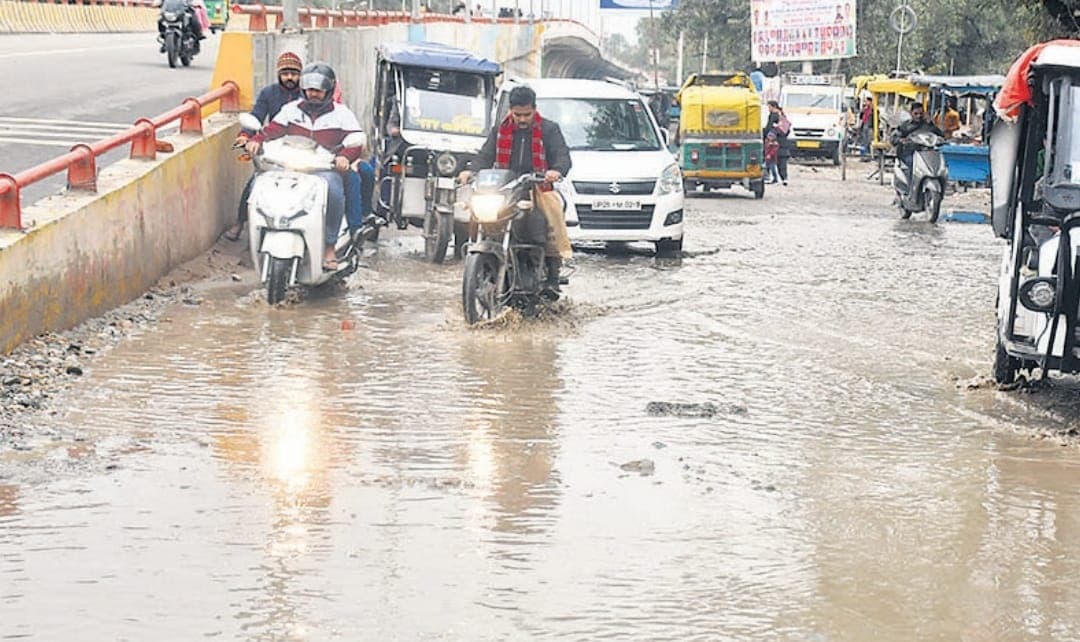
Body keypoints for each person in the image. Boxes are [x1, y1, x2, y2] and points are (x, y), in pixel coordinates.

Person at [246, 63, 365, 272]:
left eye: (318, 90)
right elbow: (272, 130)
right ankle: (259, 235)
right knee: (258, 183)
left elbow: (356, 140)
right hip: (290, 166)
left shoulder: (341, 114)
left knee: (334, 192)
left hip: (323, 169)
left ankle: (329, 245)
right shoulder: (290, 110)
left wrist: (345, 157)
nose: (314, 94)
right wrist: (256, 140)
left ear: (328, 90)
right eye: (310, 90)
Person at [459, 85, 572, 292]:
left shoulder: (549, 129)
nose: (522, 119)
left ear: (534, 109)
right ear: (510, 110)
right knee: (477, 212)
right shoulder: (499, 130)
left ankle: (553, 273)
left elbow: (562, 156)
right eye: (517, 114)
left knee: (551, 214)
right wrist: (471, 171)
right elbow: (485, 155)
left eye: (526, 114)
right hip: (505, 187)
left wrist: (555, 170)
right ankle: (478, 253)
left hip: (537, 186)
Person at [225, 52, 305, 242]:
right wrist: (245, 136)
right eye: (285, 73)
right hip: (274, 148)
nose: (290, 78)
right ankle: (240, 222)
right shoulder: (268, 93)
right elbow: (257, 116)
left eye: (294, 73)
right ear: (279, 74)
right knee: (256, 184)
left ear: (300, 75)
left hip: (304, 150)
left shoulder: (308, 94)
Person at [891, 102, 944, 186]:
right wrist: (901, 140)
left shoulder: (928, 125)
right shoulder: (905, 126)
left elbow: (941, 135)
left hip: (926, 154)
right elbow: (893, 138)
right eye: (916, 113)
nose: (918, 116)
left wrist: (931, 124)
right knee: (911, 164)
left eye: (921, 113)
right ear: (911, 113)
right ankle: (910, 186)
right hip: (910, 153)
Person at [763, 100, 791, 185]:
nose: (768, 109)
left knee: (770, 159)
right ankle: (784, 178)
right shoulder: (782, 114)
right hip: (783, 141)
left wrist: (764, 135)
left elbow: (768, 127)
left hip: (774, 141)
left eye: (769, 107)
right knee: (781, 160)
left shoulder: (773, 115)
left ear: (773, 106)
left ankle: (768, 177)